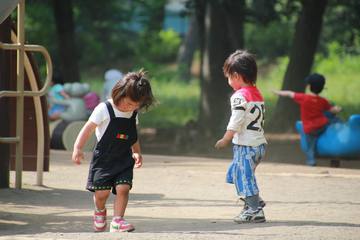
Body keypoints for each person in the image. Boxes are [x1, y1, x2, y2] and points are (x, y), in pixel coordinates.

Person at [72, 69, 155, 233]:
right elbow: (88, 129)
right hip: (104, 159)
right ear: (119, 93)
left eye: (135, 105)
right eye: (128, 103)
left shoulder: (133, 113)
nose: (130, 107)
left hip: (124, 158)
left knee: (124, 188)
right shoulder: (104, 108)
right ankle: (100, 210)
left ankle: (117, 220)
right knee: (102, 194)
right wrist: (78, 147)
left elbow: (133, 135)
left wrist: (136, 151)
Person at [215, 50, 267, 223]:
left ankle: (254, 209)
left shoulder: (239, 96)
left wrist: (226, 139)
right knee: (238, 173)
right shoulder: (257, 93)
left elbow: (236, 120)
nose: (228, 81)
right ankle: (254, 201)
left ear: (236, 75)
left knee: (244, 176)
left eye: (229, 77)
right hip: (259, 145)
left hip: (246, 145)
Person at [273, 73, 342, 166]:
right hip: (323, 126)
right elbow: (331, 110)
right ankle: (336, 151)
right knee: (335, 120)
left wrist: (277, 92)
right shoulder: (323, 101)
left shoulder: (304, 98)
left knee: (310, 146)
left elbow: (289, 93)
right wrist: (337, 109)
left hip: (310, 129)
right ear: (322, 87)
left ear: (309, 86)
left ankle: (311, 161)